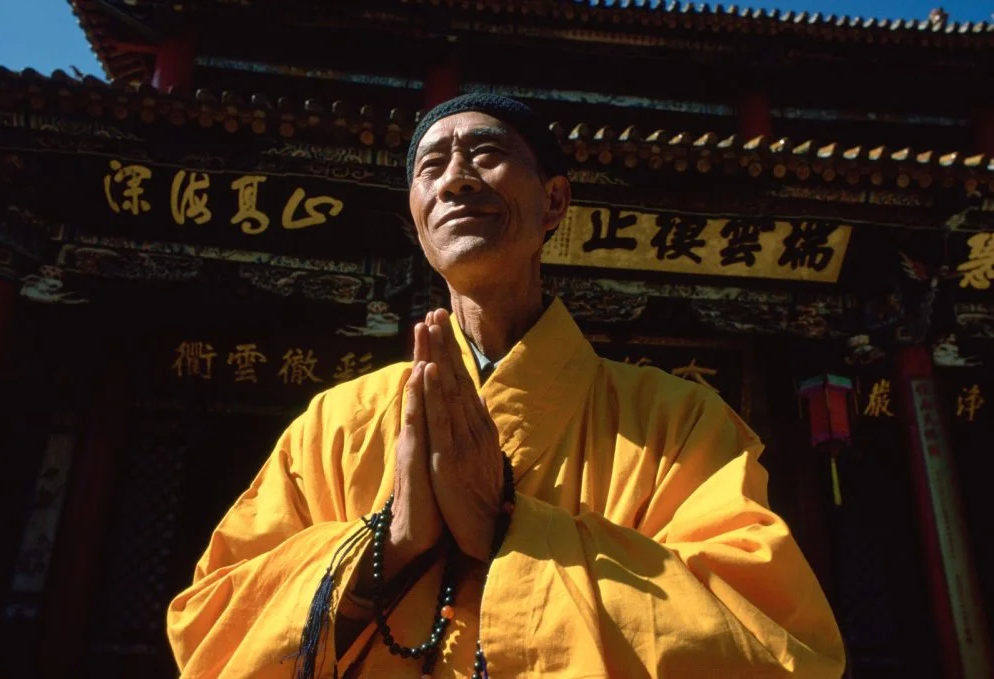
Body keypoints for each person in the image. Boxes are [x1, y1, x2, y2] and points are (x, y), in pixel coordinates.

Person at [167, 93, 846, 678]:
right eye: (431, 166)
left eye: (485, 154)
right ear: (417, 217)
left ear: (553, 200)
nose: (456, 179)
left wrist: (507, 525)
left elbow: (770, 645)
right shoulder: (334, 422)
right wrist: (394, 541)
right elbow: (213, 631)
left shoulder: (680, 422)